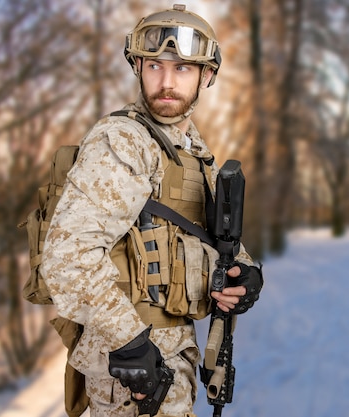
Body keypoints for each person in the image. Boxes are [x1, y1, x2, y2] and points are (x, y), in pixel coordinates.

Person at [40, 4, 263, 417]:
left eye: (182, 69)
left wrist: (245, 273)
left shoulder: (192, 153)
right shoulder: (124, 139)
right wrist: (131, 344)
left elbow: (203, 237)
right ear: (137, 67)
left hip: (172, 355)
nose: (165, 82)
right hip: (133, 373)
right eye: (155, 66)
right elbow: (67, 257)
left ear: (206, 76)